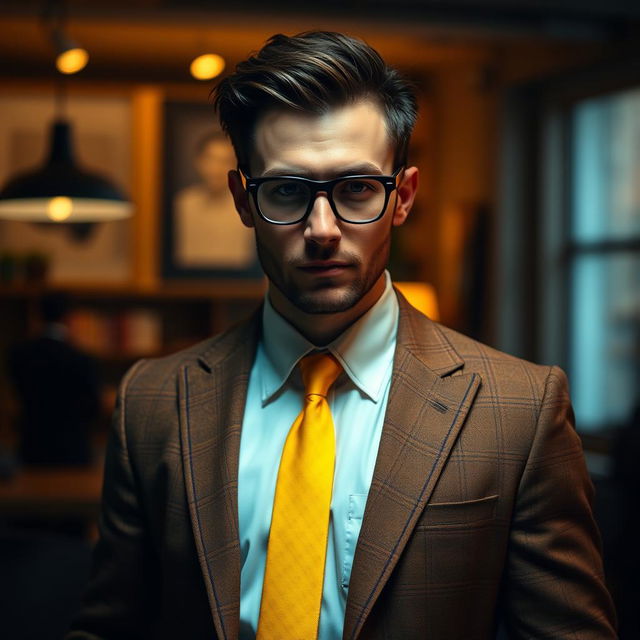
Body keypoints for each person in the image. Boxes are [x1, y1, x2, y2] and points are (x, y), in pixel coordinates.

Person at [67, 32, 616, 639]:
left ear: (402, 197)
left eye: (356, 188)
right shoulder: (152, 402)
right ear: (243, 201)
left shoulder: (519, 410)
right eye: (286, 191)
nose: (322, 229)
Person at [8, 291, 100, 467]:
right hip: (73, 450)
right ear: (68, 317)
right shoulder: (81, 359)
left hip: (32, 446)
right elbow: (92, 406)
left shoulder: (18, 355)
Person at [174, 130, 256, 269]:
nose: (216, 168)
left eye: (225, 161)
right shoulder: (183, 203)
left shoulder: (248, 206)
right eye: (210, 159)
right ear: (198, 162)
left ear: (235, 167)